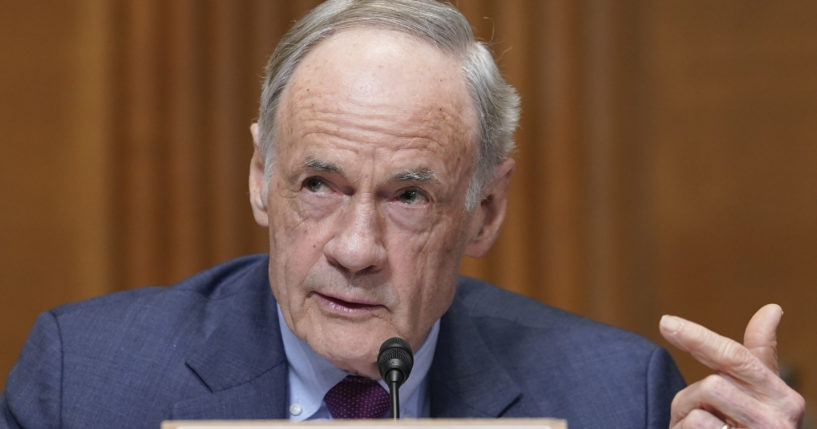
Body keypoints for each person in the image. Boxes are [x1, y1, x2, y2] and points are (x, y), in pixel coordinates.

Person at [1, 0, 805, 428]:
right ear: (259, 178)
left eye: (408, 196)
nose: (355, 248)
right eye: (318, 183)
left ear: (484, 210)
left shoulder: (611, 398)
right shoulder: (88, 385)